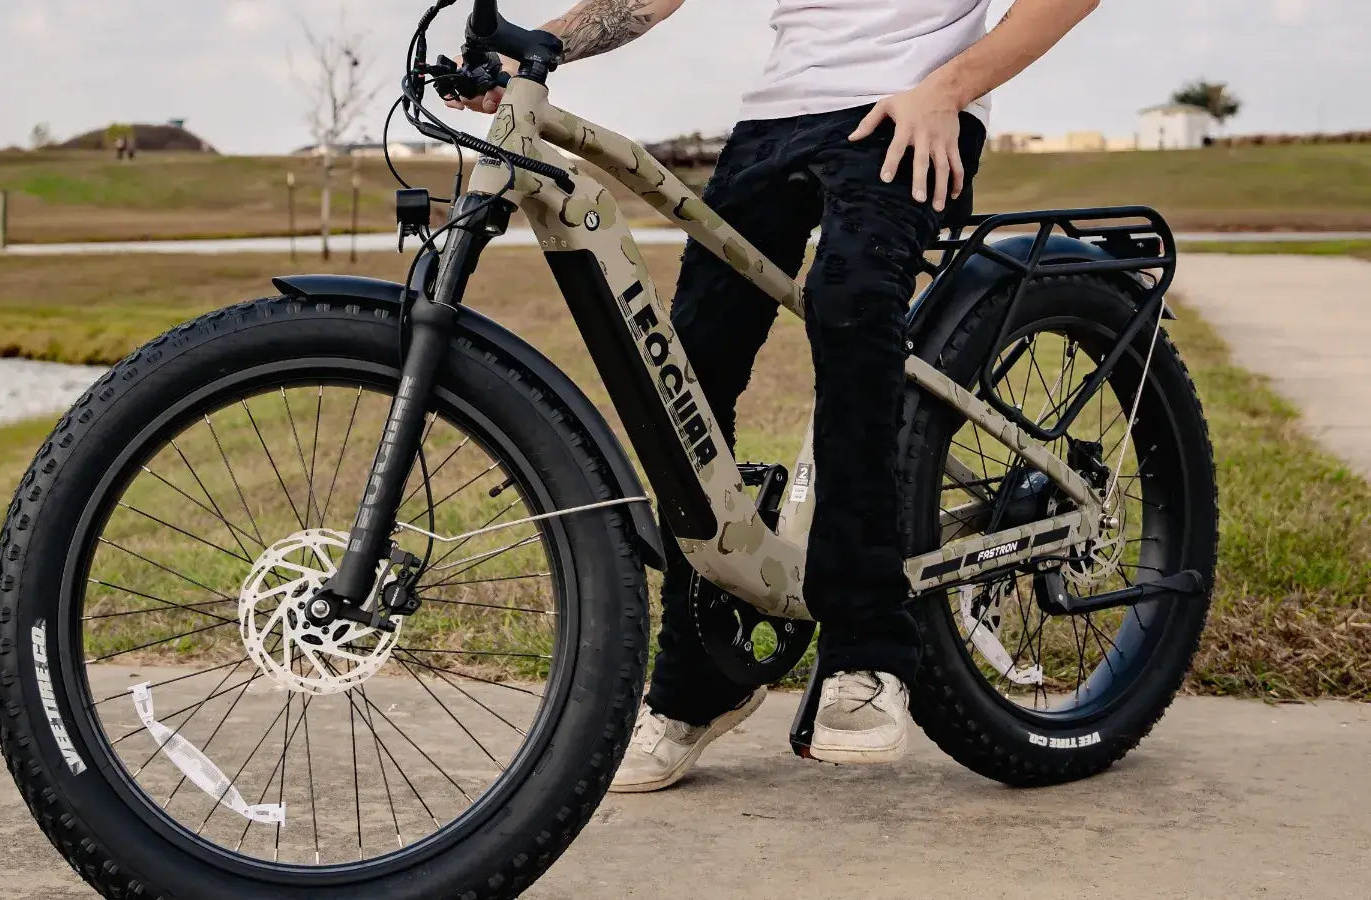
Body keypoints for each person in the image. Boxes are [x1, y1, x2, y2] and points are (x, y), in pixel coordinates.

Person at [450, 0, 1101, 790]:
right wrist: (537, 49)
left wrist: (947, 91)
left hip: (909, 108)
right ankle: (698, 677)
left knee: (851, 302)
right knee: (686, 369)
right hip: (775, 122)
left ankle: (868, 649)